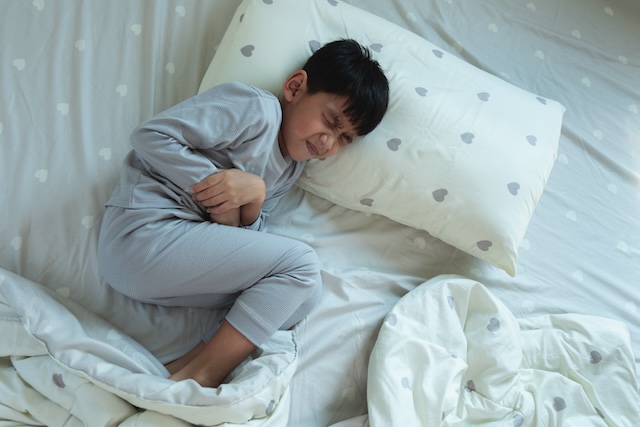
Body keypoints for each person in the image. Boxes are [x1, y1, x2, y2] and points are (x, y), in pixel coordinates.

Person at [97, 39, 389, 388]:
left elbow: (235, 238)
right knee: (301, 265)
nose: (328, 142)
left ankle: (187, 364)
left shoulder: (291, 168)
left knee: (303, 296)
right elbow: (151, 136)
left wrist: (252, 199)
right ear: (296, 87)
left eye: (344, 138)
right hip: (141, 235)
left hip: (172, 259)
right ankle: (205, 375)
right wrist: (218, 184)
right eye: (330, 121)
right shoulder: (255, 110)